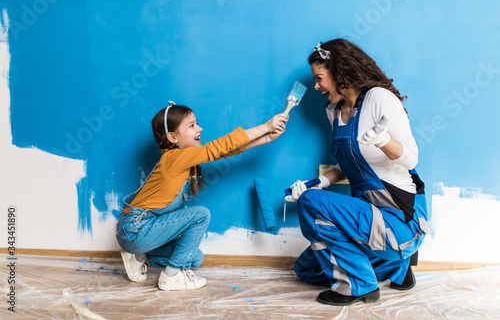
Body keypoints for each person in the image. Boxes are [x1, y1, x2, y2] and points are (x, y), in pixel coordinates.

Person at [288, 39, 429, 306]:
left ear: (340, 74)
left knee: (310, 205)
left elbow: (411, 158)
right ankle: (397, 268)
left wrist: (383, 141)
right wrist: (318, 183)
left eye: (320, 78)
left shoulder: (378, 98)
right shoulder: (334, 111)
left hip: (400, 220)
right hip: (368, 219)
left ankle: (359, 286)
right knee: (306, 269)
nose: (316, 87)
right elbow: (350, 165)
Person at [116, 101, 288, 291]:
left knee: (194, 257)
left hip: (141, 232)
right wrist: (265, 126)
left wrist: (266, 138)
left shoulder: (184, 160)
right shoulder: (174, 158)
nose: (200, 128)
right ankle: (171, 277)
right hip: (135, 230)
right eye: (192, 126)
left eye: (197, 123)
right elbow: (219, 147)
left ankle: (140, 256)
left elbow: (226, 152)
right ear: (172, 137)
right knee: (200, 214)